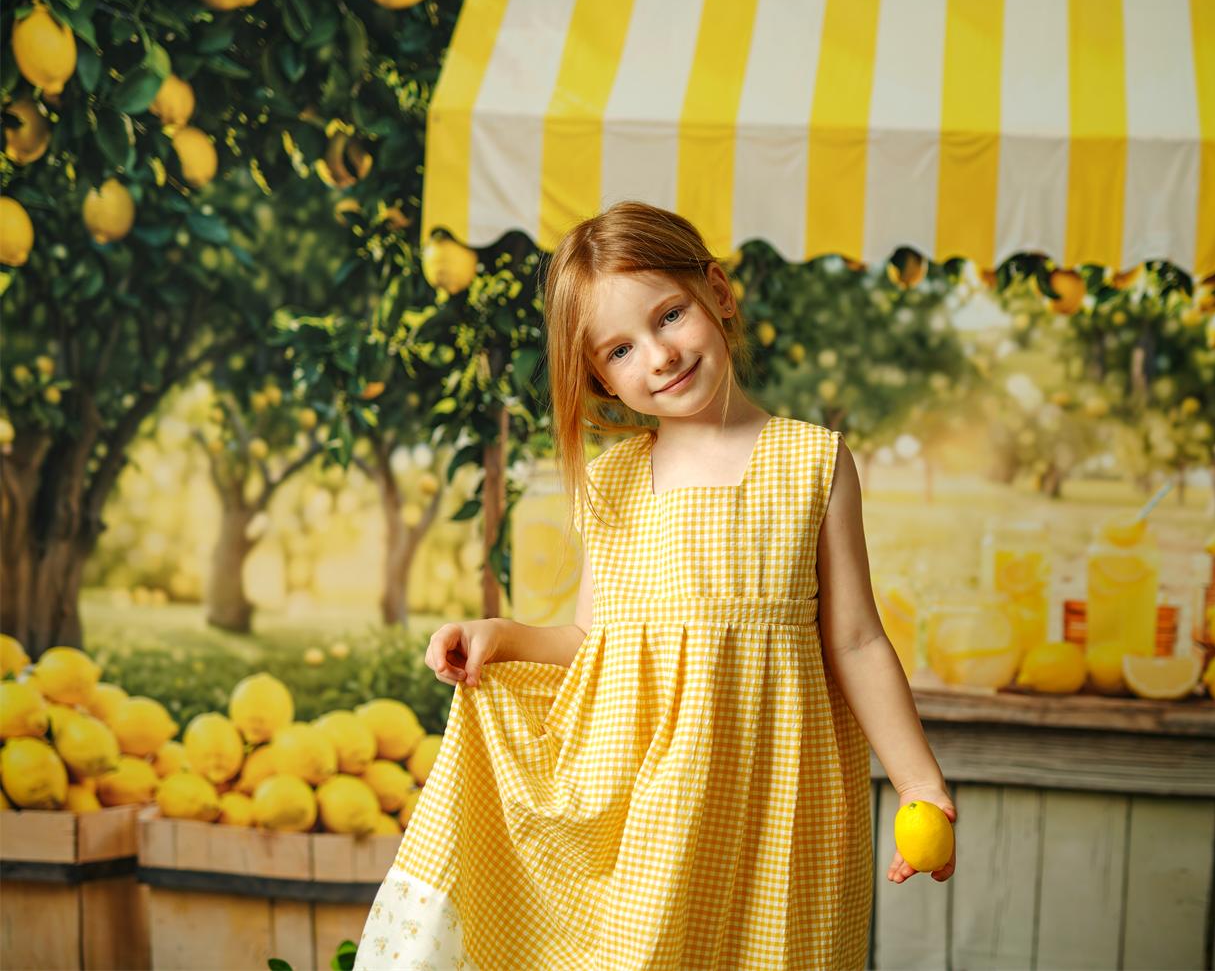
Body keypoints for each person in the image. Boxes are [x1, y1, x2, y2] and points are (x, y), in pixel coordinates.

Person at [356, 201, 956, 970]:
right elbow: (590, 640)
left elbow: (857, 639)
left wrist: (917, 780)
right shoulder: (613, 484)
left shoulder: (811, 461)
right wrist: (499, 635)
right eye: (621, 349)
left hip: (779, 806)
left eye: (669, 315)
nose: (660, 355)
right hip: (651, 807)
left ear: (718, 292)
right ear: (599, 374)